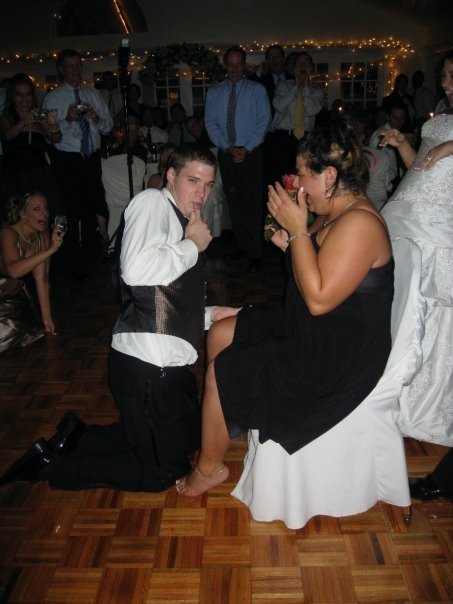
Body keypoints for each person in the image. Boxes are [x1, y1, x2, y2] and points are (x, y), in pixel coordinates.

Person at [0, 146, 239, 491]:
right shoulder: (152, 202)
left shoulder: (180, 218)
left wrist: (211, 314)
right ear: (171, 176)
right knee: (163, 473)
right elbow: (136, 270)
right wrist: (193, 246)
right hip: (148, 367)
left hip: (161, 365)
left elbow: (161, 297)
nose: (201, 193)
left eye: (209, 184)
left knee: (188, 437)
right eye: (193, 181)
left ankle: (78, 436)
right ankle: (51, 466)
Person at [176, 123, 394, 496]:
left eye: (302, 174)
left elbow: (319, 299)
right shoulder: (334, 212)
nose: (297, 183)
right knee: (222, 332)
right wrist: (292, 244)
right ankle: (227, 421)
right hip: (310, 326)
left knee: (223, 370)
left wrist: (297, 231)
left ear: (328, 176)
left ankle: (209, 469)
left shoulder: (360, 223)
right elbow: (321, 271)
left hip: (335, 354)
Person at [379, 50, 453, 447]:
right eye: (445, 75)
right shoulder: (439, 117)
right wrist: (402, 144)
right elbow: (419, 167)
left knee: (430, 309)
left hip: (438, 228)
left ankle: (424, 400)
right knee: (402, 302)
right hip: (409, 217)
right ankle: (394, 386)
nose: (446, 83)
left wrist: (450, 147)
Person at [42, 49, 113, 277]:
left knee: (93, 206)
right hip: (67, 160)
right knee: (69, 210)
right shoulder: (53, 98)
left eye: (78, 65)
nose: (76, 70)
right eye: (70, 66)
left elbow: (108, 127)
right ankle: (71, 261)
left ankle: (92, 257)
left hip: (91, 157)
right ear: (61, 69)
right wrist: (67, 119)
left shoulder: (93, 94)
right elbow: (49, 137)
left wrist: (95, 117)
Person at [205, 45, 271, 271]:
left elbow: (264, 121)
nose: (234, 69)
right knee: (234, 203)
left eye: (238, 64)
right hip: (227, 154)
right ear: (225, 65)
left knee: (253, 203)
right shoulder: (214, 93)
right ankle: (242, 245)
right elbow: (211, 123)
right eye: (230, 64)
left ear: (244, 65)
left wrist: (247, 148)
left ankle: (255, 252)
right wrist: (228, 147)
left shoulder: (257, 90)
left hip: (252, 153)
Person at [0, 192, 65, 351]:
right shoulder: (8, 233)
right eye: (37, 209)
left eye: (46, 208)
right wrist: (51, 249)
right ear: (23, 215)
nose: (44, 213)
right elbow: (13, 271)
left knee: (32, 330)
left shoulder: (41, 236)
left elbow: (42, 280)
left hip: (10, 294)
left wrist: (47, 320)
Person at [0, 73, 63, 221]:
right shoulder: (6, 118)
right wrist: (24, 122)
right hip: (15, 175)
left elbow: (56, 138)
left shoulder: (38, 117)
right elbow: (7, 136)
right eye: (19, 95)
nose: (24, 99)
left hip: (40, 175)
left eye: (28, 94)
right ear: (12, 96)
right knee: (17, 219)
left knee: (44, 217)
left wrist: (53, 123)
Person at [270, 52, 324, 185]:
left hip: (306, 139)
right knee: (282, 177)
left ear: (311, 68)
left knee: (304, 176)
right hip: (284, 137)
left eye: (306, 62)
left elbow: (312, 110)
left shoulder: (316, 91)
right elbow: (278, 105)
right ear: (294, 68)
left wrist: (304, 88)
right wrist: (296, 88)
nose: (303, 65)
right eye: (299, 62)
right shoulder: (284, 85)